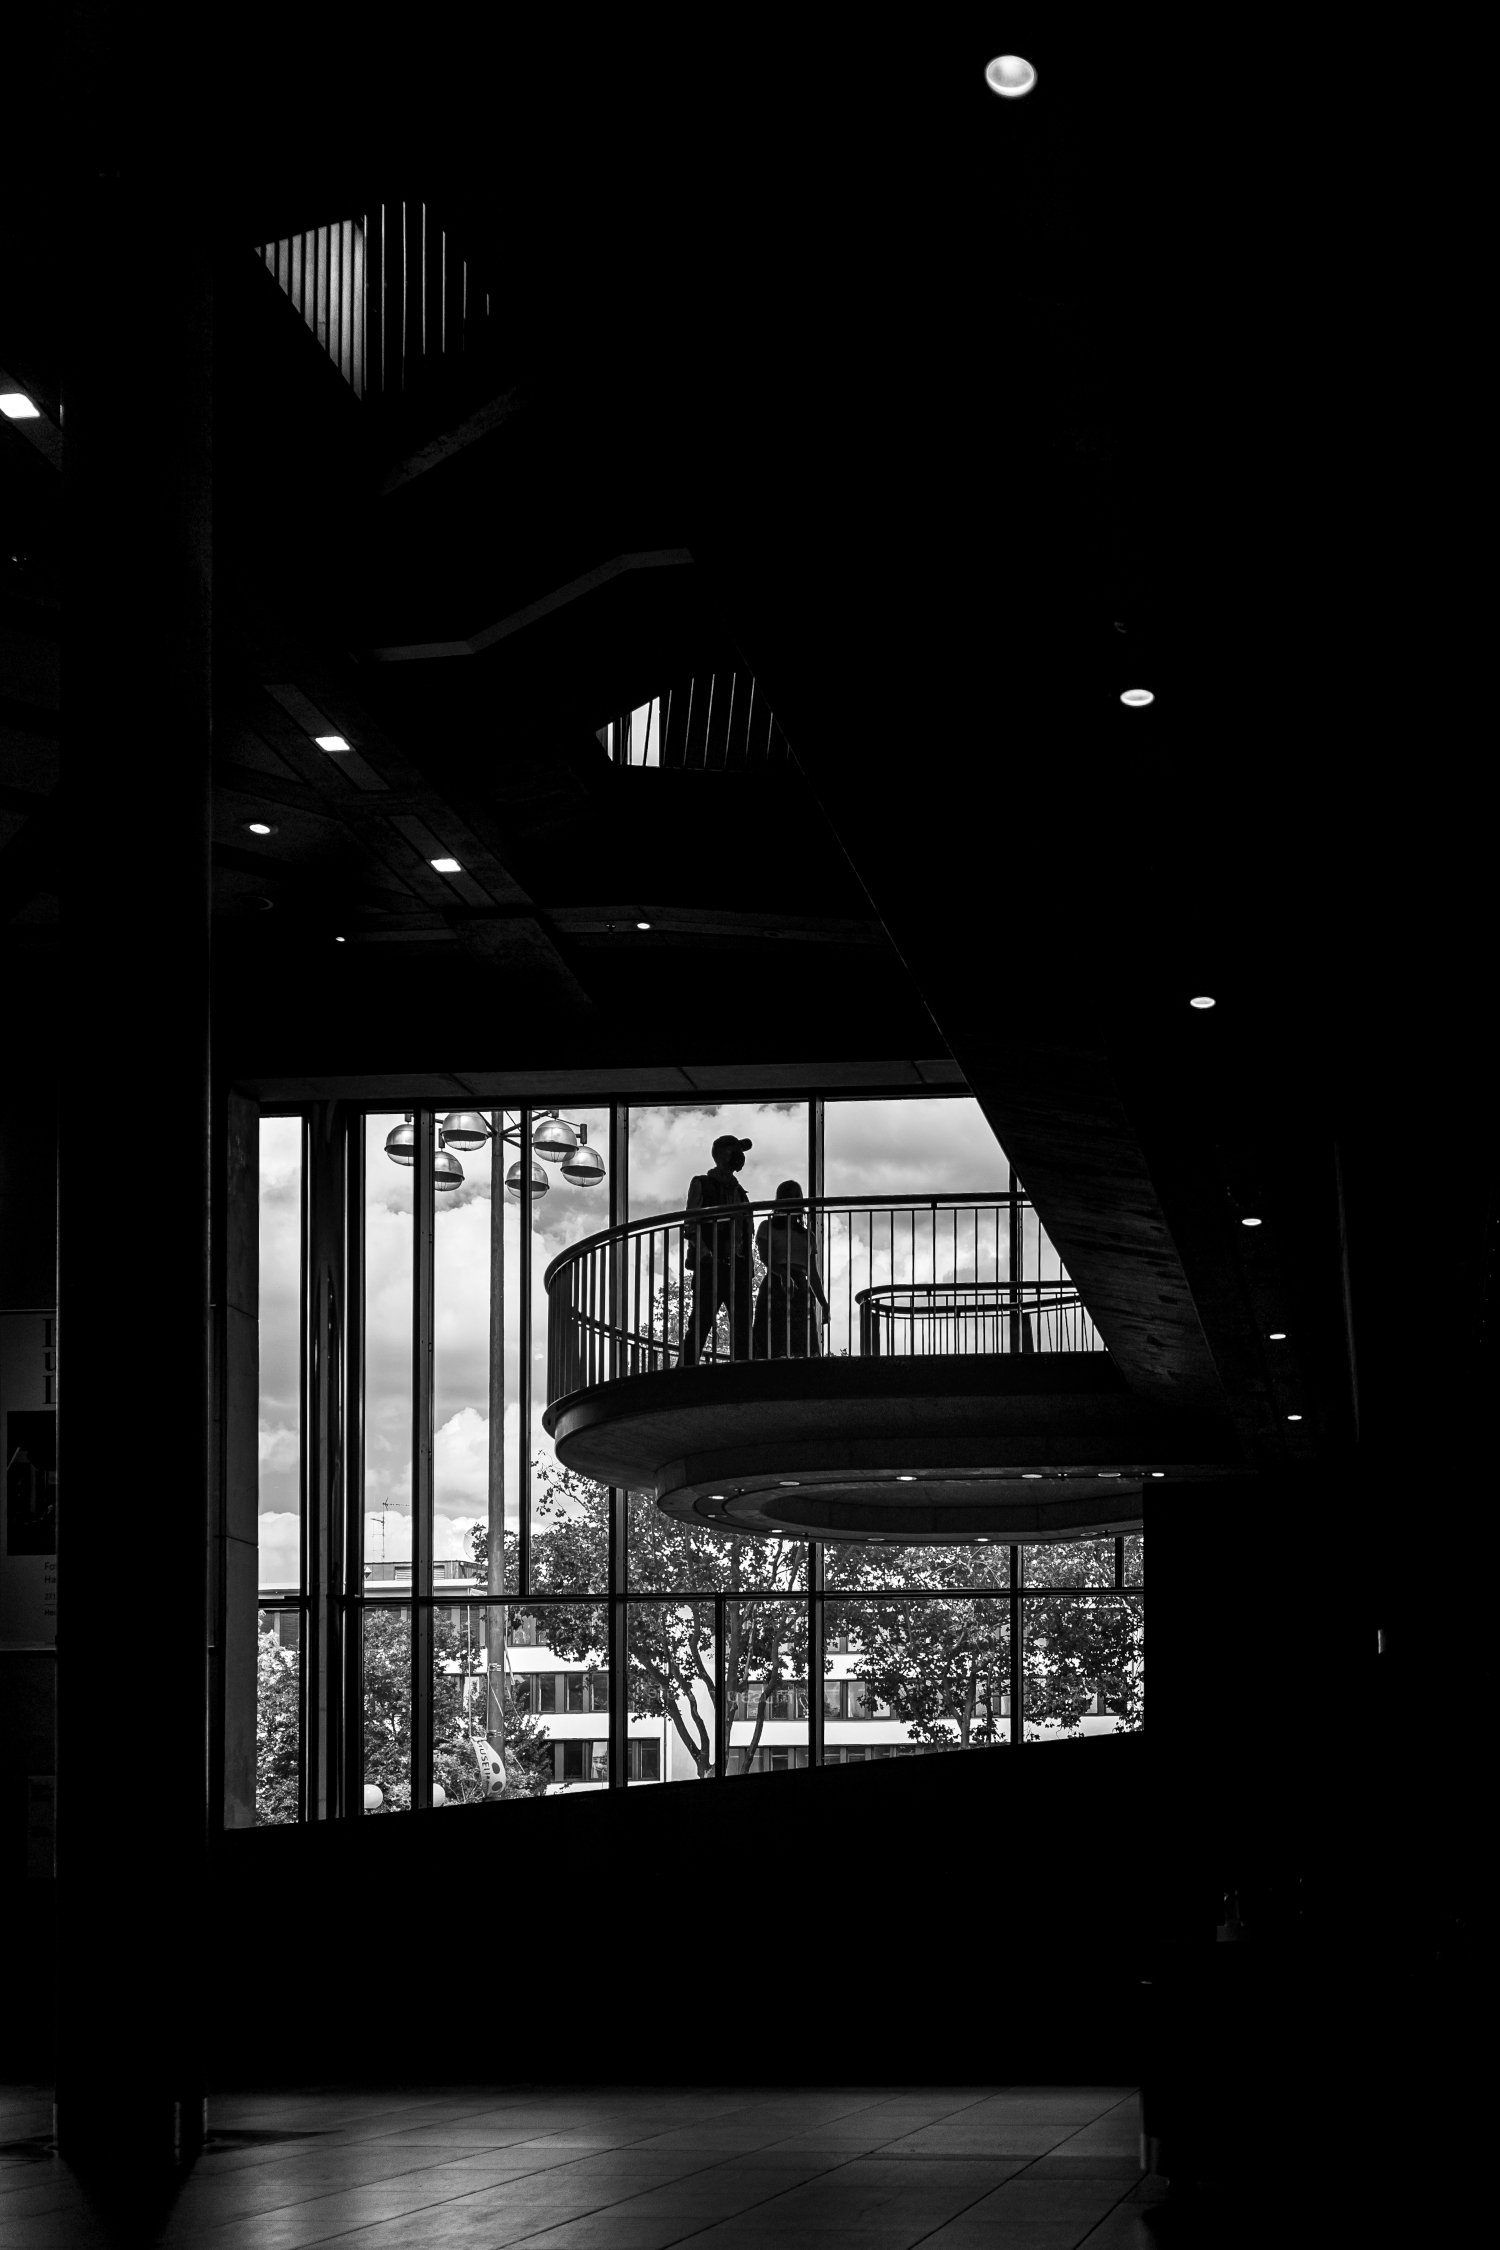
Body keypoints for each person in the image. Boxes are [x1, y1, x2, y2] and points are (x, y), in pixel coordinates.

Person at [680, 1134, 754, 1364]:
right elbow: (690, 1223)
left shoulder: (740, 1192)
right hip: (710, 1268)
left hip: (738, 1268)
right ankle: (682, 1375)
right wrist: (703, 1252)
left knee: (742, 1327)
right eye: (735, 1151)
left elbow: (745, 1232)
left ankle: (742, 1375)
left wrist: (747, 1265)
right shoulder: (701, 1183)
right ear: (721, 1154)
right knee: (700, 1324)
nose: (740, 1157)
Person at [752, 1179, 827, 1358]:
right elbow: (765, 1257)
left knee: (801, 1341)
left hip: (800, 1286)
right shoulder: (767, 1226)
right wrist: (783, 1274)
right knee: (773, 1338)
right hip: (775, 1284)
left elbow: (813, 1272)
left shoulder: (808, 1235)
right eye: (790, 1197)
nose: (794, 1201)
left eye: (797, 1197)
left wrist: (823, 1302)